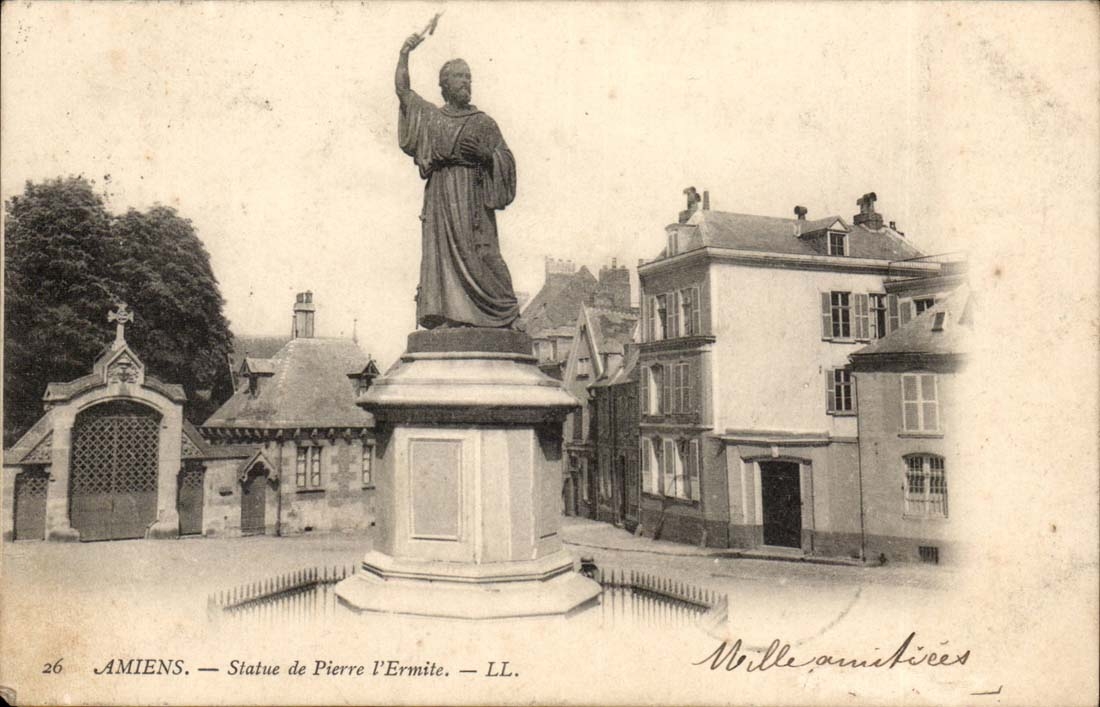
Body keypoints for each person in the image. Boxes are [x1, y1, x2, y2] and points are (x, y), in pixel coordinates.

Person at [395, 33, 520, 329]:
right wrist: (404, 53)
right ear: (444, 85)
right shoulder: (431, 118)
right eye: (459, 77)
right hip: (441, 198)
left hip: (474, 200)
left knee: (487, 255)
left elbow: (508, 162)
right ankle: (448, 315)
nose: (466, 82)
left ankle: (507, 313)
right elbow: (403, 92)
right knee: (441, 259)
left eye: (469, 77)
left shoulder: (483, 122)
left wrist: (488, 155)